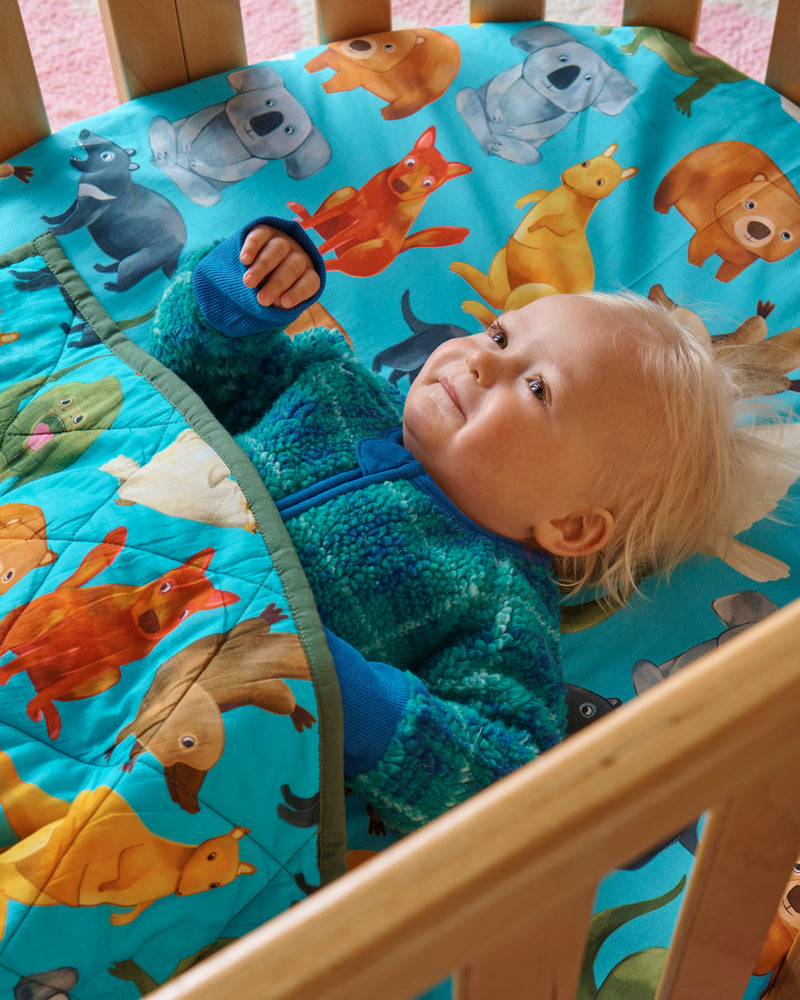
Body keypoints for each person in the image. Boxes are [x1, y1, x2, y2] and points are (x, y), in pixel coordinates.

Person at [150, 216, 788, 835]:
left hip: (187, 702)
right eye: (500, 335)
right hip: (108, 549)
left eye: (538, 390)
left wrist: (349, 693)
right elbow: (183, 380)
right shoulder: (332, 382)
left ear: (569, 526)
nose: (481, 360)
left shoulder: (499, 605)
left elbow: (497, 782)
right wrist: (242, 291)